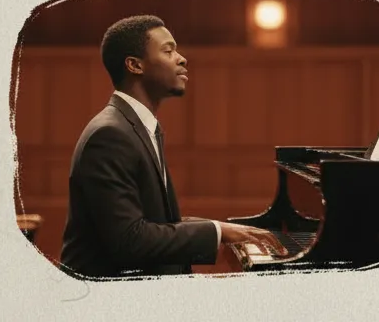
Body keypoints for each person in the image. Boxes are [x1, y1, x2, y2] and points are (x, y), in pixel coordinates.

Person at [60, 16, 279, 277]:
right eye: (168, 51)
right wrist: (217, 232)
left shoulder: (135, 127)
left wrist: (218, 228)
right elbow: (129, 240)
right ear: (135, 65)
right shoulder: (110, 135)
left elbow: (155, 224)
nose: (182, 58)